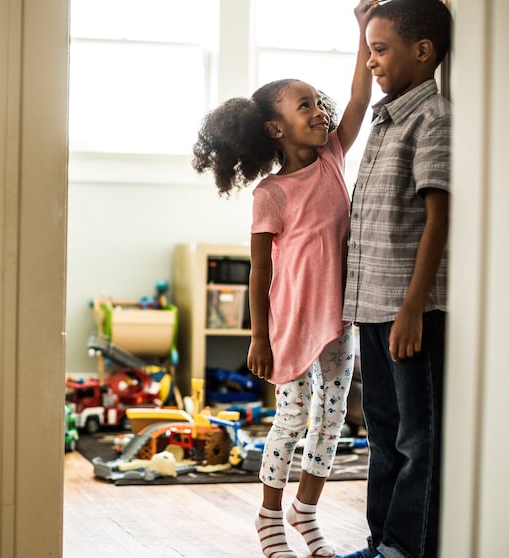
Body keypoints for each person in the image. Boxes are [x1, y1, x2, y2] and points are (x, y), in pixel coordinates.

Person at [192, 4, 374, 557]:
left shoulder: (334, 156)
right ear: (276, 128)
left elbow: (361, 97)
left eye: (319, 102)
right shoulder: (270, 194)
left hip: (338, 317)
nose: (320, 112)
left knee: (332, 418)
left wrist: (364, 31)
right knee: (292, 419)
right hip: (292, 322)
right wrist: (258, 337)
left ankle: (306, 510)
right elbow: (260, 272)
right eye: (305, 107)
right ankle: (269, 515)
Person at [337, 0, 453, 557]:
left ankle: (405, 551)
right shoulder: (384, 120)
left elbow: (439, 218)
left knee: (414, 441)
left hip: (409, 312)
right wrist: (364, 26)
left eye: (380, 50)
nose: (372, 60)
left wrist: (412, 308)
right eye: (368, 50)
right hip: (370, 306)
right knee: (380, 435)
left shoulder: (433, 118)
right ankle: (379, 543)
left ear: (422, 51)